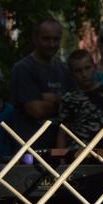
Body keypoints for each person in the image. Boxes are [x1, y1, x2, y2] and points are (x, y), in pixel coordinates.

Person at [11, 18, 70, 149]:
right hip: (30, 148)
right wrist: (63, 103)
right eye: (46, 39)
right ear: (35, 39)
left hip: (59, 147)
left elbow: (75, 107)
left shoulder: (65, 70)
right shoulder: (23, 69)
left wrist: (54, 99)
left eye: (56, 39)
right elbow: (36, 110)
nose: (51, 44)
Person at [56, 50, 103, 150]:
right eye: (78, 71)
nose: (84, 74)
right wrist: (61, 156)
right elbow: (62, 132)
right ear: (71, 74)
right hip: (76, 153)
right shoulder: (68, 99)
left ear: (95, 67)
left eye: (87, 68)